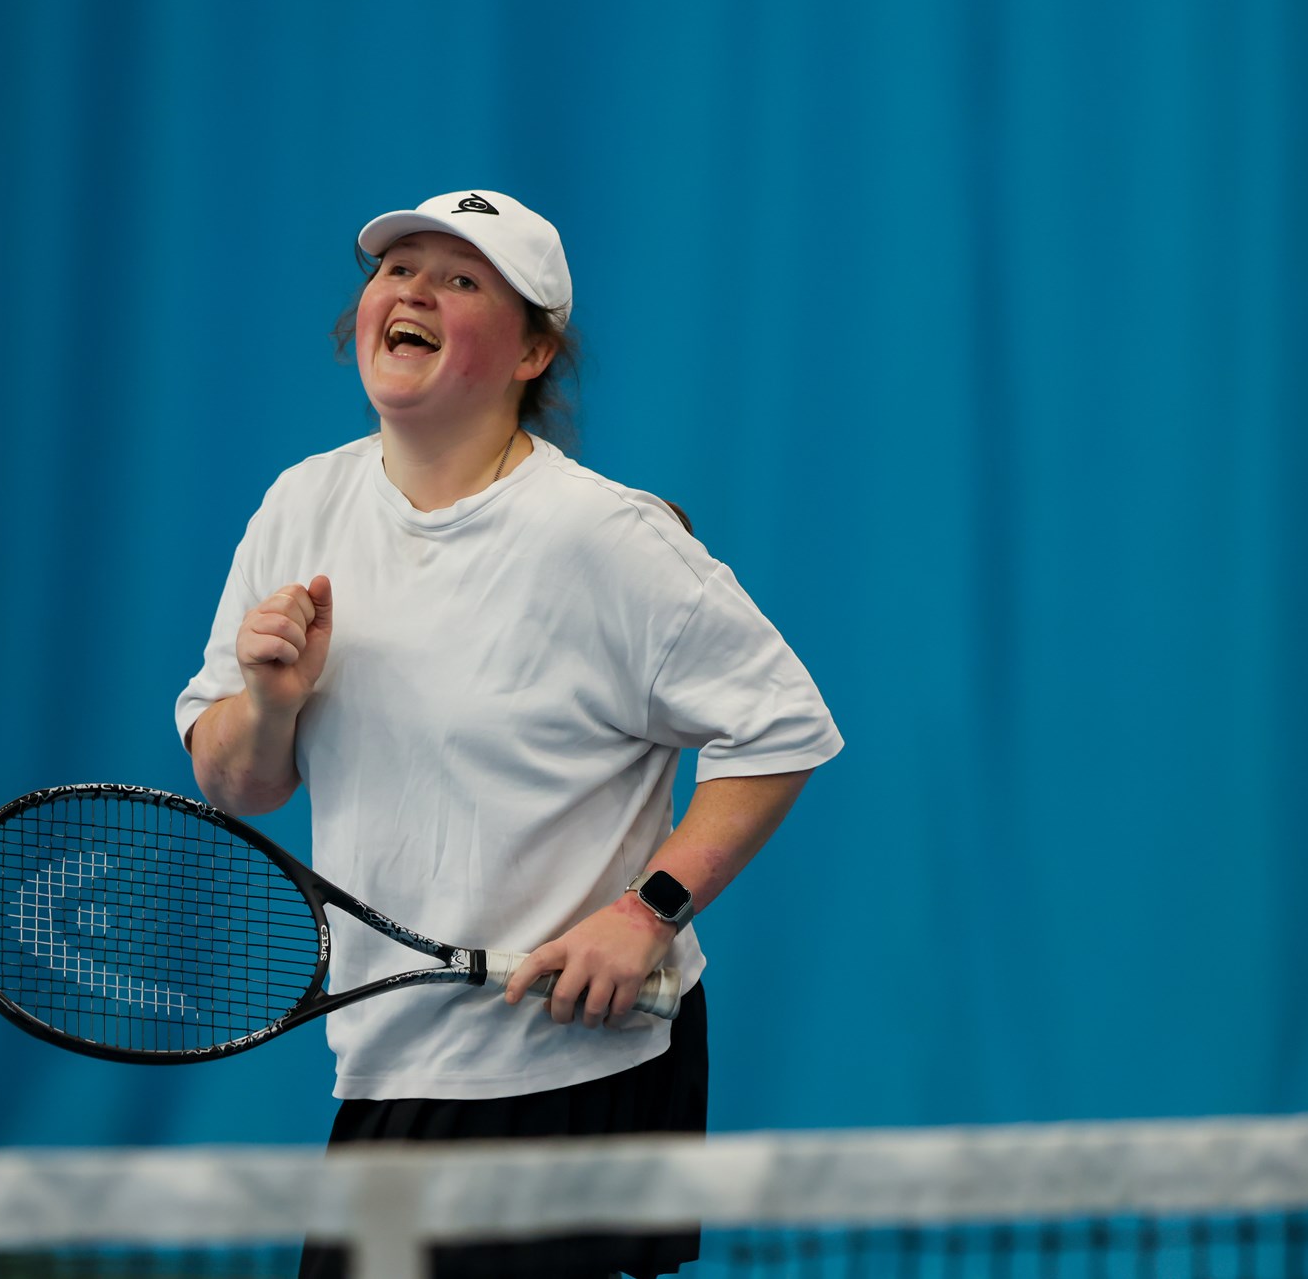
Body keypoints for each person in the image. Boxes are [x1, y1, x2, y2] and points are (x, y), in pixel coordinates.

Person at [175, 190, 843, 1278]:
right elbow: (238, 784)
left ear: (535, 350)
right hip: (393, 1065)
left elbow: (780, 730)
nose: (411, 291)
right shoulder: (299, 506)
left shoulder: (604, 536)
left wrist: (644, 914)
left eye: (459, 279)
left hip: (576, 1075)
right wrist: (271, 700)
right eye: (397, 270)